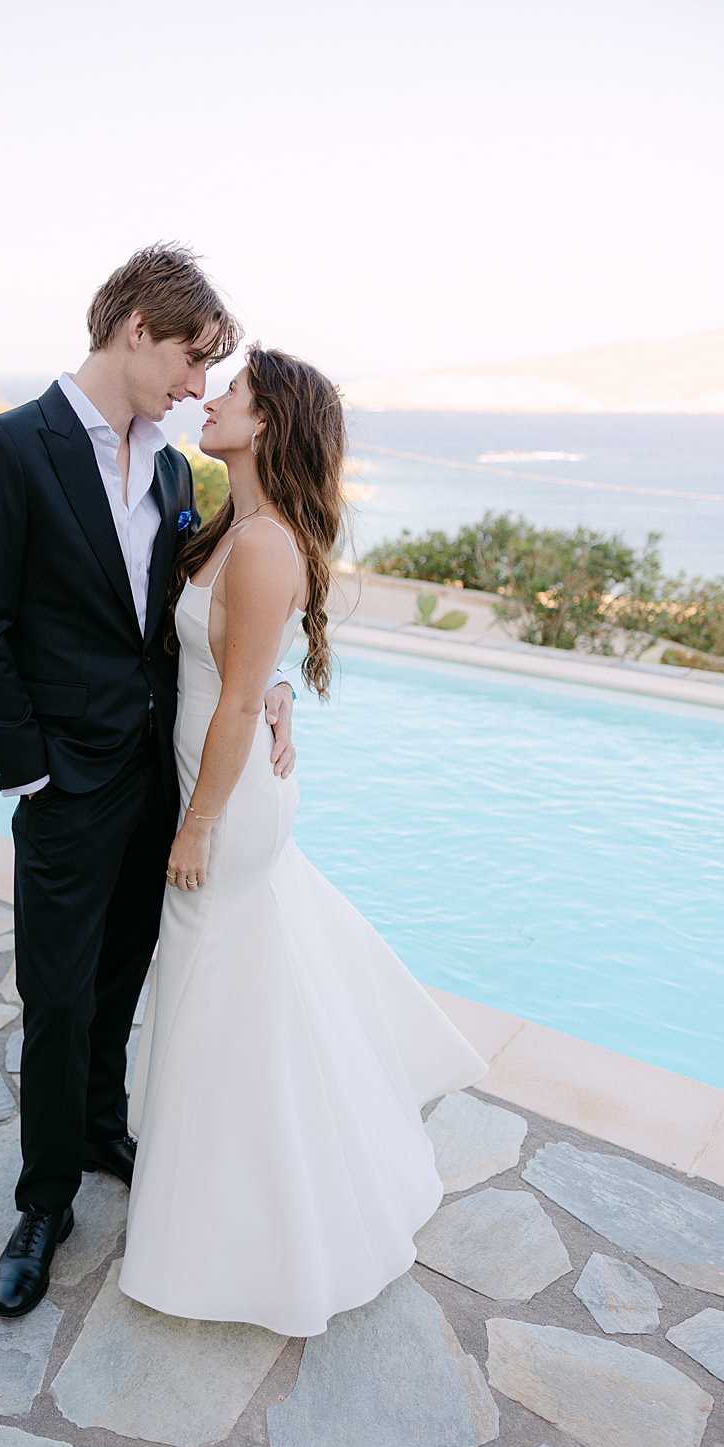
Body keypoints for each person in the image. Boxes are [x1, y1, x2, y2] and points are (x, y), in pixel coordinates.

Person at [0, 246, 297, 1319]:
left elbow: (203, 616)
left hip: (160, 781)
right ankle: (44, 1200)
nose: (196, 387)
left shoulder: (178, 475)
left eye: (210, 374)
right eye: (192, 360)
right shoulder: (7, 450)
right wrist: (31, 770)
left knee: (124, 975)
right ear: (138, 325)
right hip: (68, 786)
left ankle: (100, 1124)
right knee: (54, 995)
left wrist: (265, 685)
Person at [118, 345, 490, 1337]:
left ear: (269, 420)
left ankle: (243, 1219)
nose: (212, 400)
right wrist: (273, 688)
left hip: (226, 807)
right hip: (212, 784)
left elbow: (239, 695)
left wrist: (198, 822)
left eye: (232, 391)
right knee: (225, 991)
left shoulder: (266, 542)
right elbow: (245, 669)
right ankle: (224, 1173)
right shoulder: (227, 528)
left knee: (217, 986)